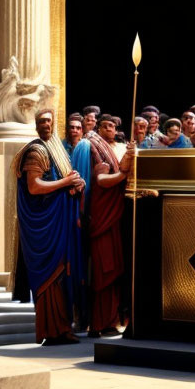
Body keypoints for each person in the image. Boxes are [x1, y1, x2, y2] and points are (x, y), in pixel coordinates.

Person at [14, 109, 84, 345]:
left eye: (49, 121)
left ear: (54, 125)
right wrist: (66, 182)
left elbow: (63, 180)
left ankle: (63, 328)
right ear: (36, 125)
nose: (45, 124)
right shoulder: (36, 151)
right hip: (43, 225)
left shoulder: (56, 150)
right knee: (49, 276)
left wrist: (76, 184)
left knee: (62, 276)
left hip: (58, 220)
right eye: (41, 121)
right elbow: (34, 187)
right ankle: (51, 330)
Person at [71, 114, 131, 338]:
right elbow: (102, 181)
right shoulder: (95, 147)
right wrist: (123, 173)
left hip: (112, 217)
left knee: (113, 271)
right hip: (101, 218)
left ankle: (110, 321)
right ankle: (97, 323)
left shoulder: (108, 147)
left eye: (113, 126)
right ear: (98, 126)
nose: (110, 129)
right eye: (106, 125)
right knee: (102, 272)